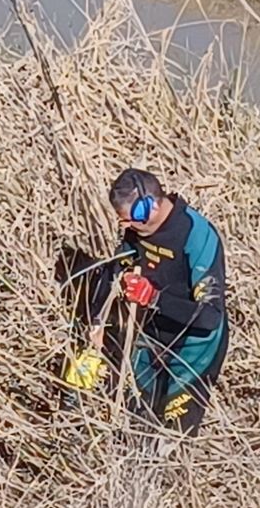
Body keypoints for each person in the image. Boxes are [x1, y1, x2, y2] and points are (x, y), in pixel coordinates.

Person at [55, 168, 229, 437]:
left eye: (130, 220)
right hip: (151, 337)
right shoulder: (135, 230)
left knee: (173, 435)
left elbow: (210, 316)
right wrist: (97, 324)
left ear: (150, 206)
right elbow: (114, 270)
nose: (126, 228)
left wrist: (153, 297)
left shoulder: (197, 235)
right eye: (122, 222)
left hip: (194, 349)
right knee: (140, 422)